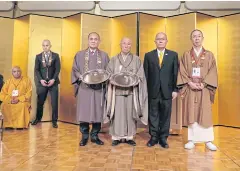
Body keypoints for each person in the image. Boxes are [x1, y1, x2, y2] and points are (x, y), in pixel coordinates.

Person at [177, 29, 218, 151]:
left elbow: (213, 71)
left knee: (205, 112)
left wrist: (204, 84)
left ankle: (208, 140)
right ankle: (191, 140)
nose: (196, 38)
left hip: (204, 89)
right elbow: (182, 71)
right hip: (191, 88)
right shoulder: (186, 55)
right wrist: (189, 83)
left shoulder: (209, 55)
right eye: (194, 36)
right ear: (191, 39)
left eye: (199, 36)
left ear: (202, 38)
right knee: (191, 112)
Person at [105, 37, 148, 146]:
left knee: (130, 114)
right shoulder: (114, 59)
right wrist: (113, 79)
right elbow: (108, 74)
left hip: (131, 92)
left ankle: (129, 137)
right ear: (120, 44)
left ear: (131, 46)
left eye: (129, 44)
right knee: (117, 114)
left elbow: (140, 75)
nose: (126, 45)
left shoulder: (136, 60)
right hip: (117, 92)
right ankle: (116, 137)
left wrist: (135, 79)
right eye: (124, 43)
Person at [71, 32, 109, 146]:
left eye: (96, 39)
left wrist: (103, 78)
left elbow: (108, 72)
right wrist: (80, 77)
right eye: (91, 39)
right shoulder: (80, 55)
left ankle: (94, 136)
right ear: (88, 41)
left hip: (98, 89)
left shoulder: (104, 56)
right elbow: (75, 69)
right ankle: (84, 136)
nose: (93, 41)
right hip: (84, 88)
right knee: (84, 113)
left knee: (98, 112)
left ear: (99, 41)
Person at [144, 32, 178, 148]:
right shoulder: (148, 56)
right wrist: (145, 91)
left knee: (165, 115)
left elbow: (175, 73)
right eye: (158, 39)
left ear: (166, 41)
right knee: (153, 115)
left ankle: (163, 138)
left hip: (167, 91)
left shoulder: (173, 55)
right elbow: (145, 75)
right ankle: (153, 137)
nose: (160, 41)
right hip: (152, 91)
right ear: (155, 41)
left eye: (163, 39)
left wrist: (175, 89)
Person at [32, 39, 61, 128]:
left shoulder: (55, 56)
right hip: (42, 83)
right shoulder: (38, 56)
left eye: (47, 45)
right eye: (43, 45)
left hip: (53, 83)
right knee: (40, 102)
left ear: (50, 46)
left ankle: (54, 121)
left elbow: (57, 69)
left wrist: (53, 79)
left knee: (54, 103)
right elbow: (36, 70)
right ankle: (37, 118)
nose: (45, 47)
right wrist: (40, 80)